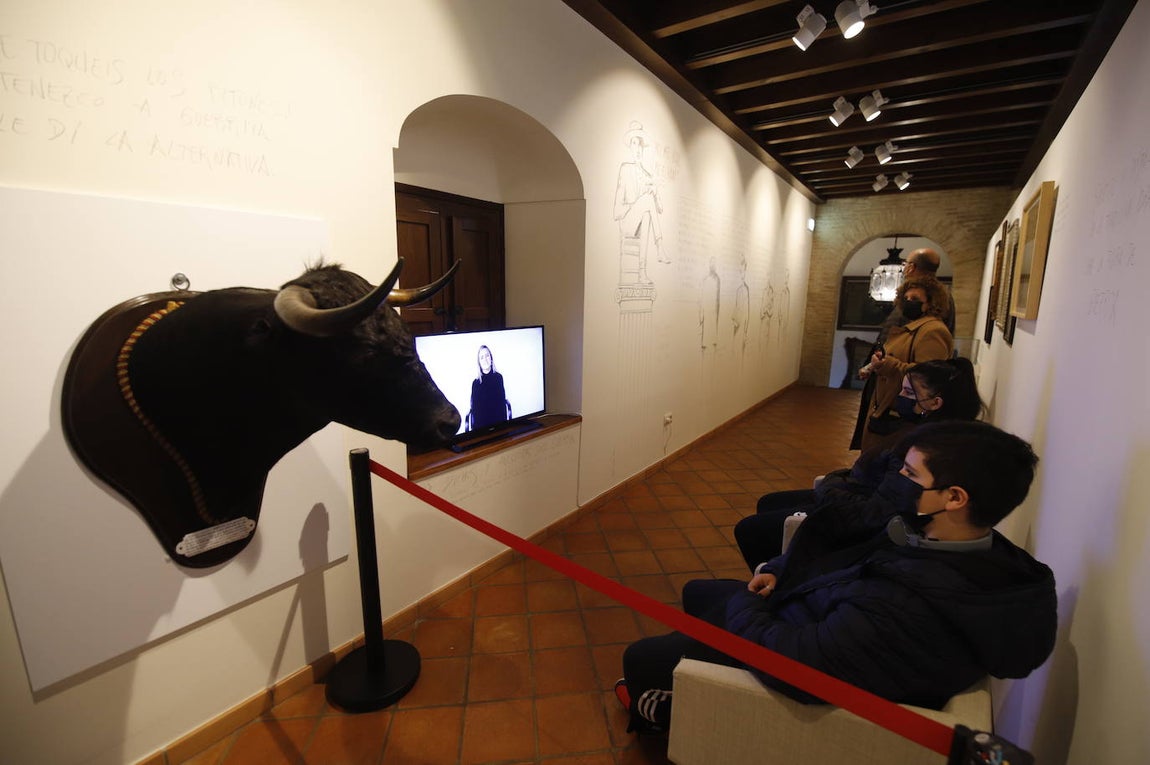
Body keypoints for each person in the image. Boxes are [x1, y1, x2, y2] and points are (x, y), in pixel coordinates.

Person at [615, 421, 1057, 734]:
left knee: (641, 660)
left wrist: (747, 604)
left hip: (793, 646)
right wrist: (778, 572)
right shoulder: (947, 539)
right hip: (808, 613)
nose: (897, 482)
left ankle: (660, 709)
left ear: (955, 498)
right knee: (697, 592)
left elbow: (795, 667)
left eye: (910, 475)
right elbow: (841, 563)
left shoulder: (905, 607)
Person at [735, 356, 984, 570]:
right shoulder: (926, 432)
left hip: (858, 516)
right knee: (768, 502)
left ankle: (778, 578)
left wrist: (831, 488)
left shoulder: (922, 449)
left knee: (751, 529)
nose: (900, 397)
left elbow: (877, 512)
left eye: (908, 393)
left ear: (935, 403)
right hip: (855, 496)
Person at [858, 276, 954, 453]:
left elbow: (928, 375)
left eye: (915, 299)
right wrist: (875, 366)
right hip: (888, 403)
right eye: (906, 298)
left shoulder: (933, 331)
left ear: (931, 303)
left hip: (901, 413)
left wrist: (888, 365)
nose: (909, 302)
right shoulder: (915, 327)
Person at [467, 345, 510, 431]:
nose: (485, 359)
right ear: (479, 362)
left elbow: (501, 405)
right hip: (481, 428)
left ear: (491, 358)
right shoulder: (475, 383)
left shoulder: (498, 377)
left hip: (498, 425)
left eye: (487, 355)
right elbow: (476, 411)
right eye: (482, 357)